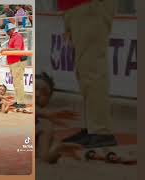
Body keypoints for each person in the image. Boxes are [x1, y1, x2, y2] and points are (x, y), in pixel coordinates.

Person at [58, 0, 118, 148]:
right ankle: (94, 128)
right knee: (86, 71)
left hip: (88, 5)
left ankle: (101, 131)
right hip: (78, 6)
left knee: (91, 70)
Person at [36, 72, 82, 163]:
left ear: (48, 100)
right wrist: (47, 114)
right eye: (34, 88)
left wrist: (56, 149)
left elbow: (44, 158)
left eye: (44, 93)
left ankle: (57, 148)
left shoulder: (45, 126)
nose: (37, 94)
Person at [0, 23, 26, 109]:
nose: (7, 33)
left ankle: (21, 102)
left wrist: (6, 49)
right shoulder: (12, 37)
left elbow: (17, 49)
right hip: (14, 62)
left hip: (17, 61)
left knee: (18, 82)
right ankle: (19, 100)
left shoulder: (17, 36)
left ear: (12, 30)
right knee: (16, 82)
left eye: (8, 31)